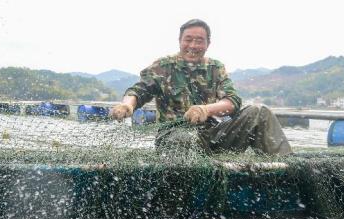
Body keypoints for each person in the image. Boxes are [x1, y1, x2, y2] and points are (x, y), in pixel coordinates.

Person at [110, 19, 291, 156]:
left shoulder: (215, 68)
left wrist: (206, 110)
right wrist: (127, 105)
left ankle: (286, 176)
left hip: (213, 135)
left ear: (207, 44)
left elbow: (232, 100)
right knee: (184, 138)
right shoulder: (163, 66)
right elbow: (139, 91)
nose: (193, 46)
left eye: (199, 41)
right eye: (188, 40)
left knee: (259, 112)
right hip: (174, 137)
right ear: (180, 41)